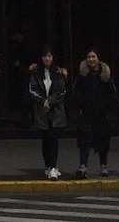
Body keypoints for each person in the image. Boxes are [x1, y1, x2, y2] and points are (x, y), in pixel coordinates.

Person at [72, 48, 117, 178]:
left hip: (102, 114)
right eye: (89, 57)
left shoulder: (105, 75)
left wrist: (106, 105)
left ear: (98, 58)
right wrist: (82, 103)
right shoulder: (82, 75)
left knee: (103, 140)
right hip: (86, 113)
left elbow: (113, 94)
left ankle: (103, 166)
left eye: (93, 57)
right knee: (84, 140)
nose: (91, 59)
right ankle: (82, 166)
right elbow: (75, 92)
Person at [28, 46, 67, 180]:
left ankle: (53, 167)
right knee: (46, 139)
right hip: (42, 111)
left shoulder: (58, 72)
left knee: (53, 138)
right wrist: (43, 101)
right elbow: (32, 90)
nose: (47, 59)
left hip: (55, 110)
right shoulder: (35, 73)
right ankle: (48, 166)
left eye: (49, 56)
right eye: (45, 56)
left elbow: (62, 91)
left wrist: (49, 101)